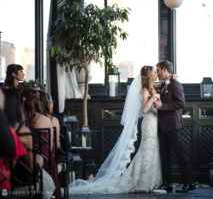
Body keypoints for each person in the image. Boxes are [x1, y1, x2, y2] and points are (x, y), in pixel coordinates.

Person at [69, 65, 161, 194]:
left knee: (153, 151)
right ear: (150, 76)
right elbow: (144, 110)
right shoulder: (145, 90)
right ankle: (140, 181)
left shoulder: (153, 88)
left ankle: (152, 181)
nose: (157, 74)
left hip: (155, 123)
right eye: (154, 72)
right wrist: (153, 98)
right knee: (146, 151)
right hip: (149, 124)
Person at [154, 60, 194, 193]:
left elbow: (181, 103)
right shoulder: (164, 84)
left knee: (180, 155)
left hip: (174, 126)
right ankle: (167, 184)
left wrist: (162, 106)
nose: (157, 73)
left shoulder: (175, 84)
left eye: (158, 70)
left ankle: (189, 183)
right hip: (162, 126)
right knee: (164, 156)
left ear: (165, 70)